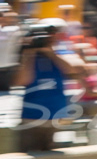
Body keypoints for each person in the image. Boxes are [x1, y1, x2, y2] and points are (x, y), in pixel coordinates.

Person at [17, 20, 88, 152]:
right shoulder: (27, 58)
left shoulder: (60, 55)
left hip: (55, 116)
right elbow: (22, 80)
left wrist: (51, 53)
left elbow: (74, 69)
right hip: (31, 117)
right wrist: (29, 53)